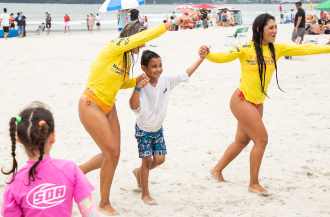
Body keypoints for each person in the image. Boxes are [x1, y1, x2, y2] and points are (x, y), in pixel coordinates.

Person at [200, 13, 330, 195]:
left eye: (275, 27)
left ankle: (216, 170)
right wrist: (206, 53)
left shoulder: (277, 49)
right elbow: (221, 57)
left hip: (258, 102)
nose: (275, 31)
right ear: (259, 30)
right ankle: (253, 184)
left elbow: (306, 50)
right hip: (241, 100)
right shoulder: (245, 48)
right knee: (262, 140)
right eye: (271, 28)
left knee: (242, 141)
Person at [77, 15, 191, 215]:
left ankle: (76, 173)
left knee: (111, 154)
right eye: (141, 39)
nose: (144, 43)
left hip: (108, 106)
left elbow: (119, 83)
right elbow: (148, 34)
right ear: (133, 36)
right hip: (91, 104)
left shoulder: (124, 59)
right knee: (111, 154)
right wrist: (172, 23)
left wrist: (138, 81)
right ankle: (103, 203)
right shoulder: (114, 47)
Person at [130, 49, 208, 205]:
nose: (158, 69)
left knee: (159, 160)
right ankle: (145, 194)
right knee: (146, 162)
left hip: (157, 130)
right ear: (144, 69)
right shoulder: (142, 85)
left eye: (160, 65)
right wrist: (138, 87)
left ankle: (138, 172)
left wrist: (201, 58)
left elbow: (185, 74)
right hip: (144, 130)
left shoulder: (165, 81)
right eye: (154, 66)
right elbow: (133, 105)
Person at [1, 102, 99, 217]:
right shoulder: (70, 169)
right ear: (52, 137)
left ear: (18, 138)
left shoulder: (15, 182)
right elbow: (89, 211)